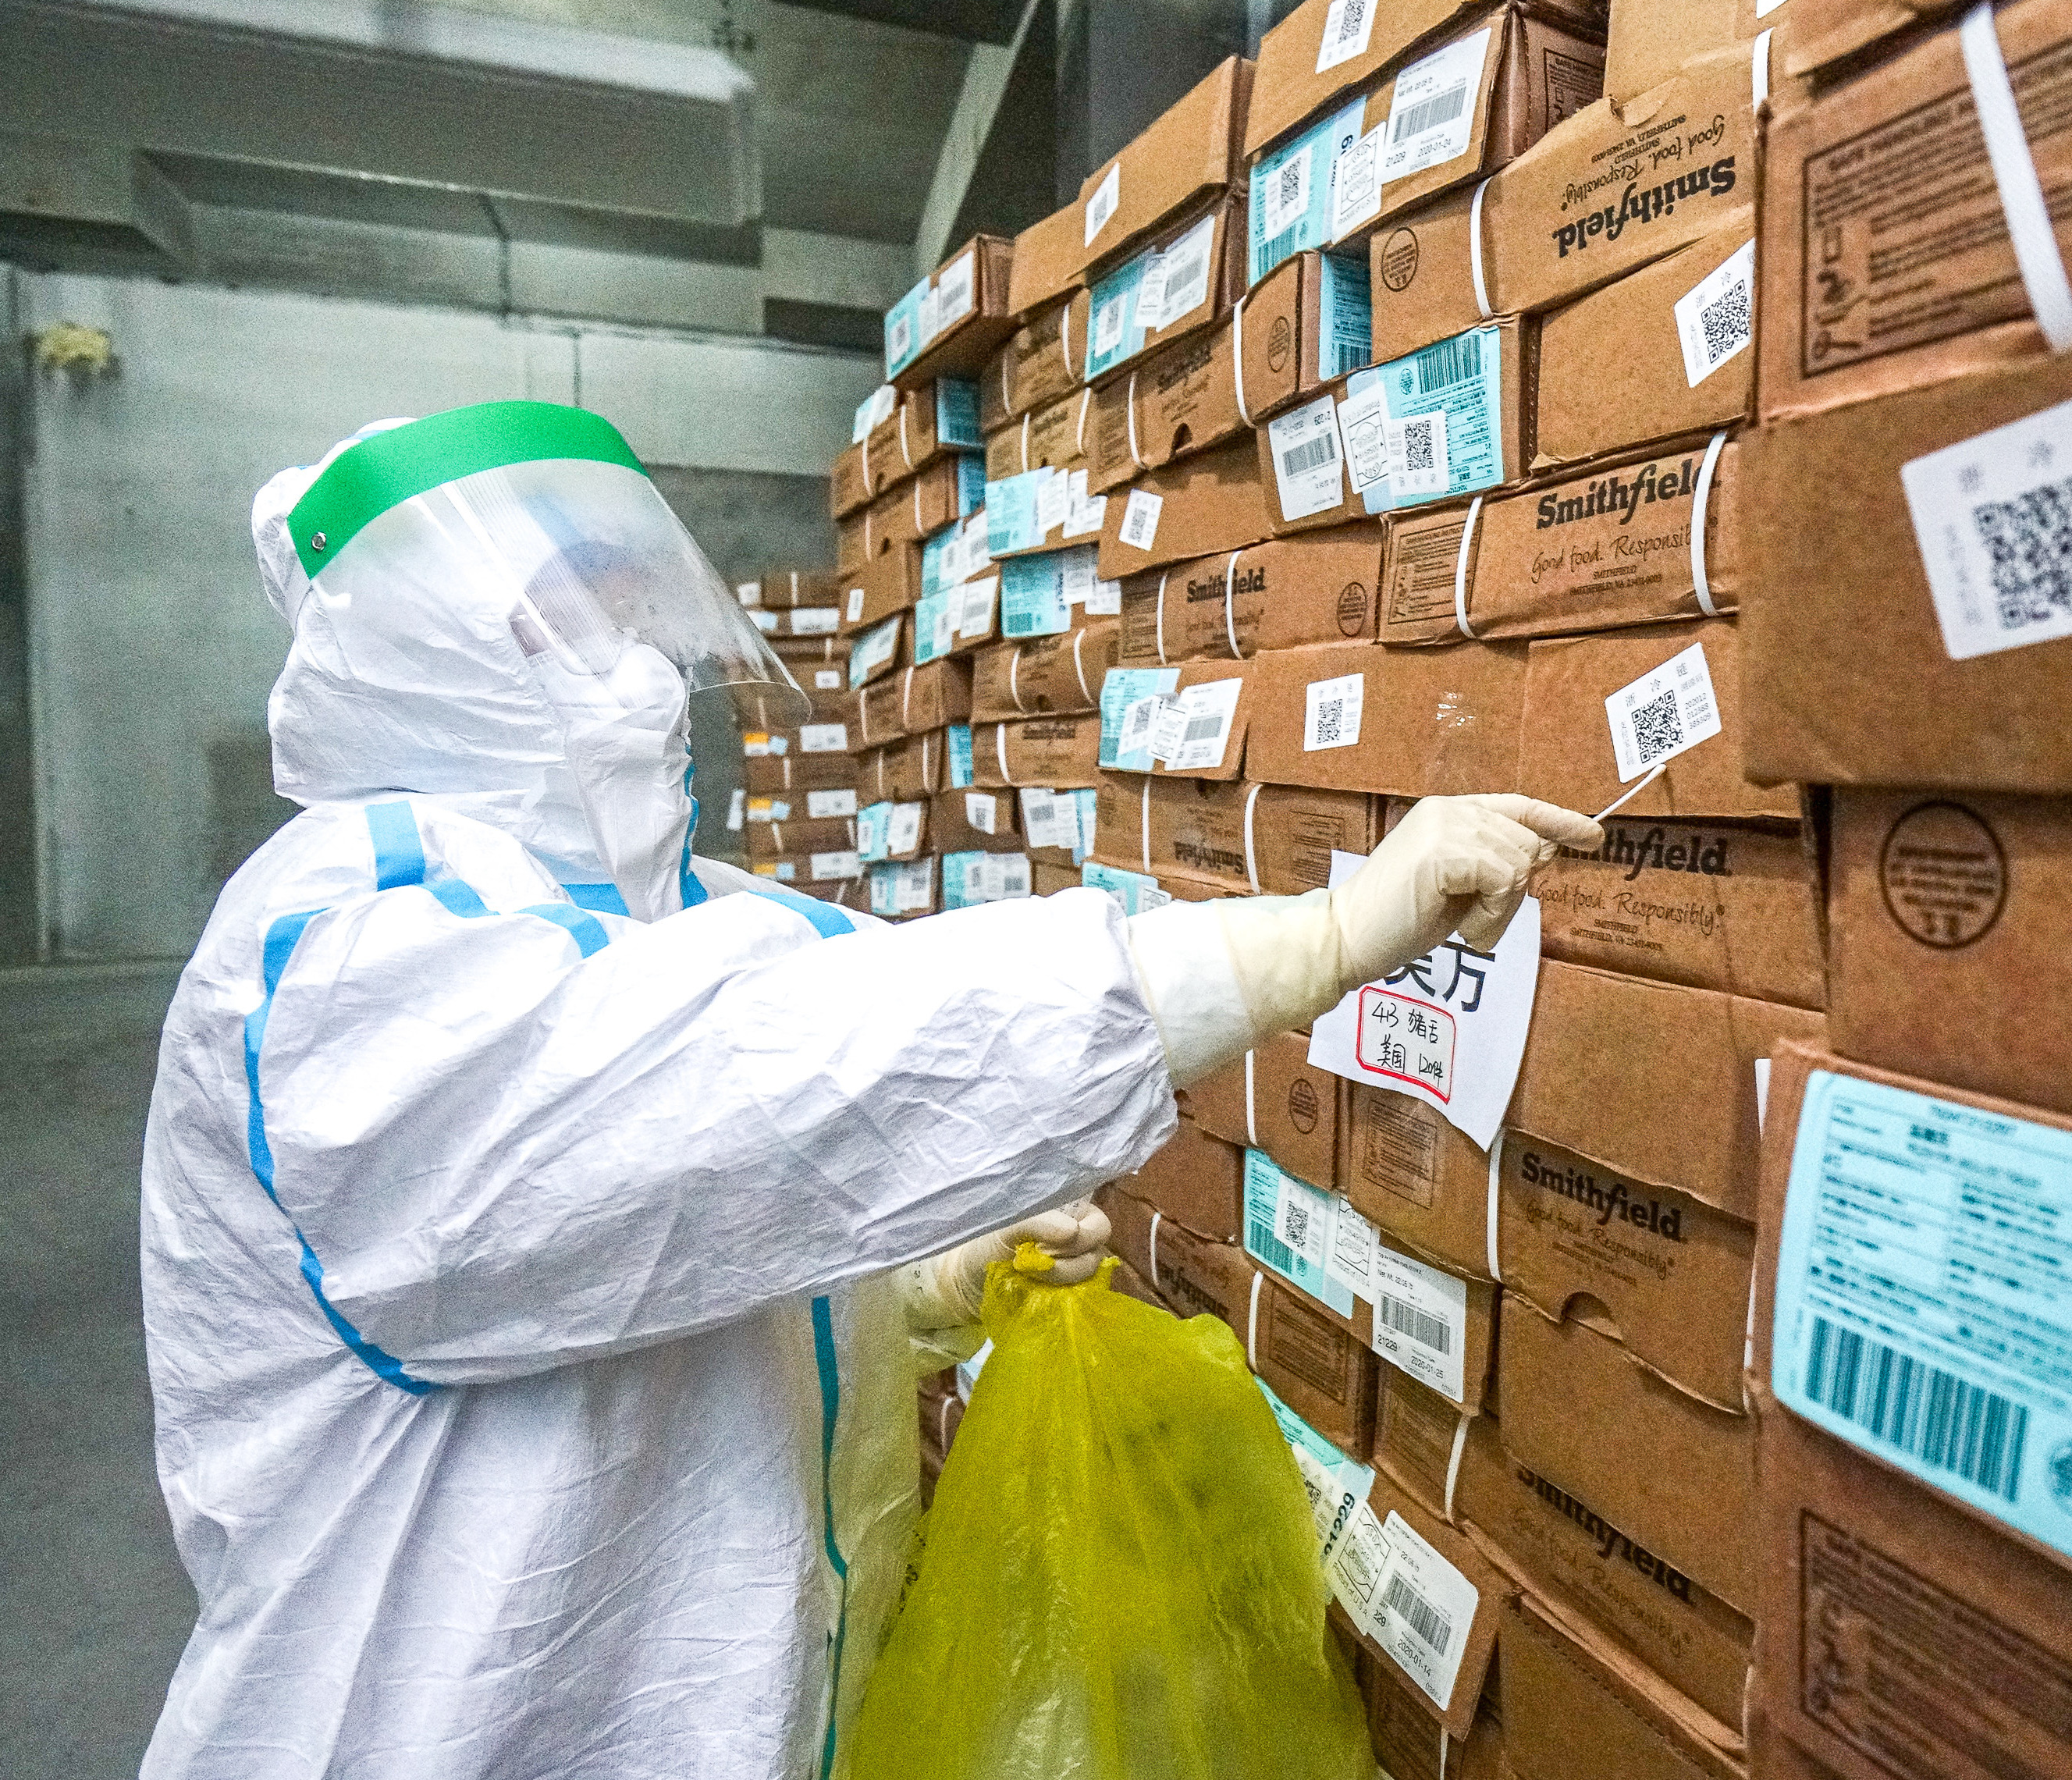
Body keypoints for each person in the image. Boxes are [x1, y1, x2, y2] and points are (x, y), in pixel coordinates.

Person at [139, 400, 1600, 1780]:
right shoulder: (347, 948)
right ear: (430, 648)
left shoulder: (678, 920)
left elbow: (682, 1238)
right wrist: (1324, 938)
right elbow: (766, 1087)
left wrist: (914, 1291)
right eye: (569, 613)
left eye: (631, 605)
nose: (636, 660)